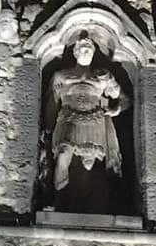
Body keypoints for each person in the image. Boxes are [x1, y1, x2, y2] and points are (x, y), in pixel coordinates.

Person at [42, 32, 129, 212]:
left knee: (88, 164)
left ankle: (88, 207)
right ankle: (58, 200)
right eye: (83, 48)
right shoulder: (62, 76)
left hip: (94, 120)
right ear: (75, 52)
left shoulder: (102, 78)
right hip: (68, 117)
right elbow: (52, 103)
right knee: (63, 154)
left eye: (89, 48)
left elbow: (125, 100)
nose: (86, 51)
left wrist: (115, 109)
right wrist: (48, 129)